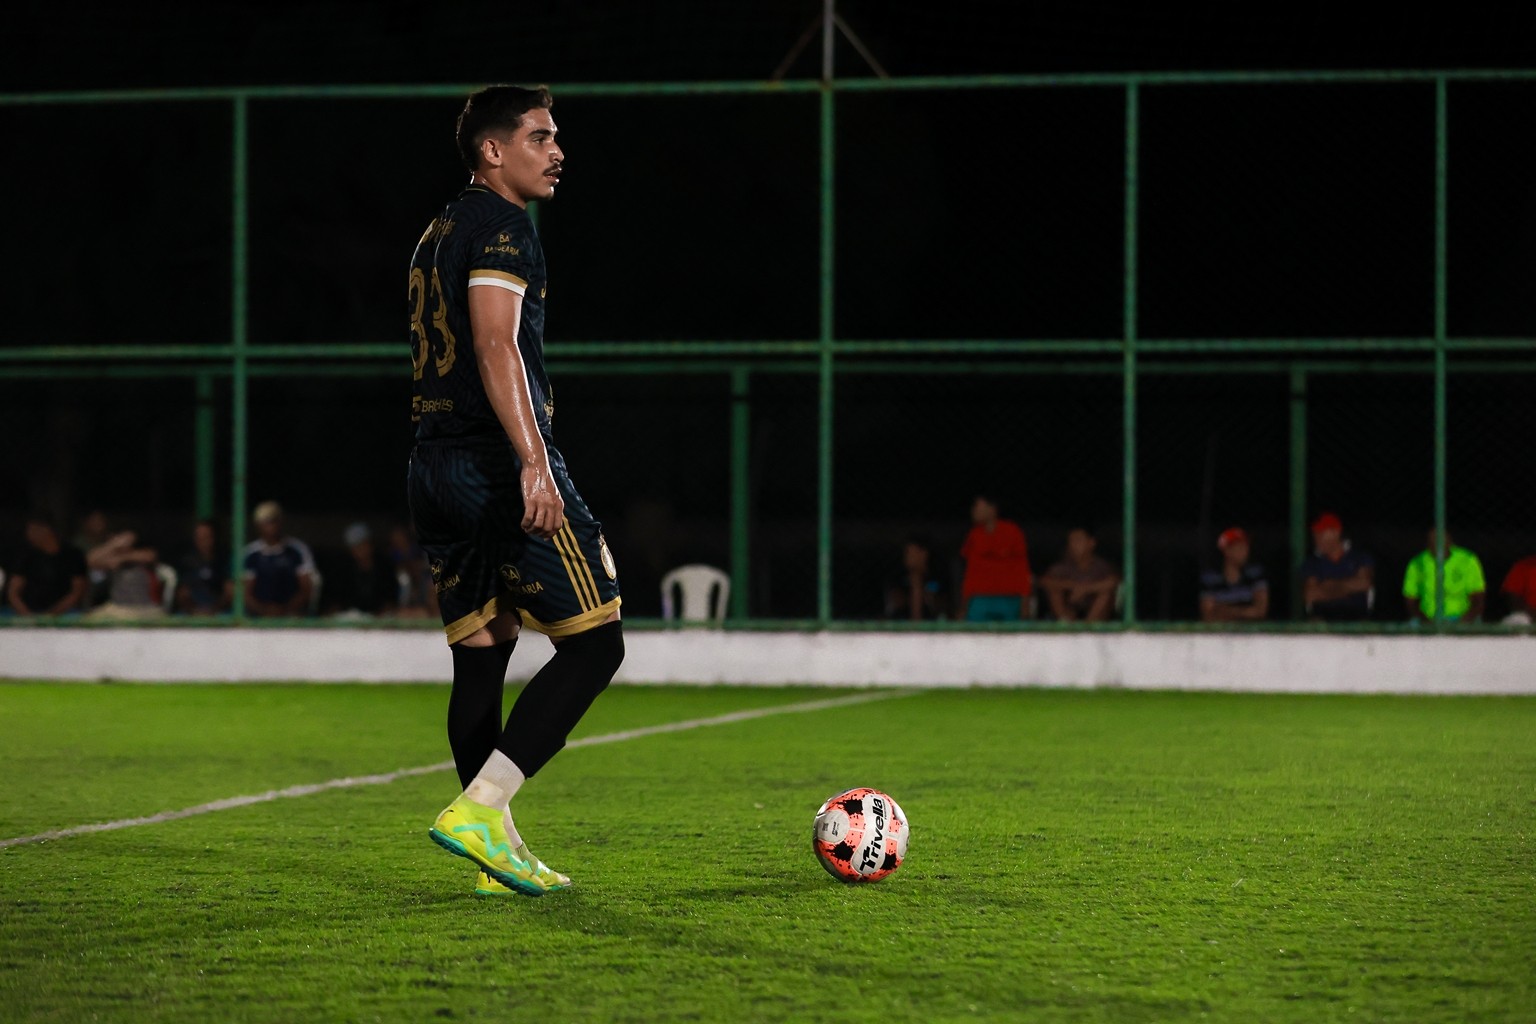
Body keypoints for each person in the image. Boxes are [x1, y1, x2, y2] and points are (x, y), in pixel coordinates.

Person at [408, 85, 624, 898]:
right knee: (597, 644)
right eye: (539, 136)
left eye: (556, 136)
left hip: (433, 464)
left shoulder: (438, 230)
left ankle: (492, 856)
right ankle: (481, 809)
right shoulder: (506, 227)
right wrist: (533, 460)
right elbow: (496, 344)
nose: (557, 151)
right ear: (492, 151)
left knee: (483, 654)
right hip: (496, 465)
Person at [958, 494, 1031, 621]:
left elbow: (1021, 568)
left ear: (992, 509)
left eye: (977, 506)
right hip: (980, 599)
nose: (974, 510)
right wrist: (964, 606)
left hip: (1010, 598)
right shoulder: (974, 535)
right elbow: (971, 573)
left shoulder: (1012, 531)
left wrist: (1025, 601)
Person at [241, 501, 317, 617]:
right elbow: (244, 592)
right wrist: (264, 612)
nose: (270, 527)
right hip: (259, 616)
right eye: (265, 523)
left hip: (292, 615)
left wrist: (284, 611)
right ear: (258, 525)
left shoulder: (297, 550)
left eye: (273, 521)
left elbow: (306, 589)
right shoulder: (250, 553)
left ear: (280, 522)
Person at [6, 514, 88, 616]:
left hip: (66, 614)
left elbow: (77, 591)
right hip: (28, 614)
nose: (29, 534)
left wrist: (51, 615)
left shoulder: (73, 555)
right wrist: (28, 617)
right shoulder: (25, 556)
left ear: (47, 529)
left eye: (33, 530)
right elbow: (13, 593)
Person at [1301, 512, 1374, 622]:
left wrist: (1328, 586)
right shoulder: (1312, 562)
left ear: (1336, 532)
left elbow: (1364, 583)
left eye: (1321, 533)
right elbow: (1311, 594)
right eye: (1315, 534)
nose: (1317, 538)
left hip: (1357, 618)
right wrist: (1348, 588)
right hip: (1323, 620)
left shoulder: (1359, 558)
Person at [1402, 528, 1485, 624]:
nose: (1438, 545)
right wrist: (1427, 622)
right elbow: (1411, 600)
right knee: (1412, 624)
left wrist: (1462, 622)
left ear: (1450, 541)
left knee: (1477, 623)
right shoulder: (1417, 563)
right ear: (1428, 545)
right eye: (1433, 542)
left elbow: (1478, 599)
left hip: (1461, 617)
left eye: (1442, 540)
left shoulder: (1468, 560)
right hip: (1428, 618)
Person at [1039, 526, 1120, 623]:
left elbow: (1113, 583)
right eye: (1071, 541)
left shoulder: (1102, 566)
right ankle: (1065, 623)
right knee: (1055, 591)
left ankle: (1088, 626)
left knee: (1105, 594)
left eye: (1078, 540)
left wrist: (1085, 589)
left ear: (1091, 543)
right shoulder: (1063, 565)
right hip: (1070, 609)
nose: (1073, 545)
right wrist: (1073, 586)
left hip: (1095, 613)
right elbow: (1045, 582)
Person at [83, 526, 164, 619]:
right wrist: (113, 544)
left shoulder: (144, 553)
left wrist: (120, 559)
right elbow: (90, 561)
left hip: (145, 608)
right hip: (117, 607)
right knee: (88, 619)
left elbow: (149, 557)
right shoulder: (111, 556)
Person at [326, 522, 399, 617]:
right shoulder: (343, 569)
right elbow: (336, 601)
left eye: (363, 544)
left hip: (380, 618)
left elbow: (391, 600)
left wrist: (378, 616)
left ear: (370, 544)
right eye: (355, 547)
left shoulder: (385, 567)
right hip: (352, 617)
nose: (360, 550)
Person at [1199, 526, 1269, 623]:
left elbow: (1260, 612)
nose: (1245, 551)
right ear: (1226, 550)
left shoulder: (1255, 574)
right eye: (1240, 547)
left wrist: (1226, 610)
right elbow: (1209, 616)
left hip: (1250, 631)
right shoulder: (1210, 579)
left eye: (1246, 546)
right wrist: (1246, 611)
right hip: (1221, 632)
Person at [176, 518, 233, 615]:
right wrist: (194, 611)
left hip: (218, 611)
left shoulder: (223, 560)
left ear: (213, 538)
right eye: (198, 537)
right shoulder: (186, 562)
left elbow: (229, 592)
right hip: (192, 612)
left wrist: (213, 610)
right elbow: (182, 594)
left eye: (206, 537)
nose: (202, 541)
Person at [885, 535, 948, 621]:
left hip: (932, 623)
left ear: (924, 553)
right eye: (906, 552)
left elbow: (941, 605)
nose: (907, 557)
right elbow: (896, 603)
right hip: (903, 623)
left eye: (911, 552)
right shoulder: (898, 578)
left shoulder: (937, 577)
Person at [1500, 555, 1536, 625]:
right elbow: (1513, 597)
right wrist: (1530, 613)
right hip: (1529, 619)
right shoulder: (1524, 566)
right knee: (1519, 618)